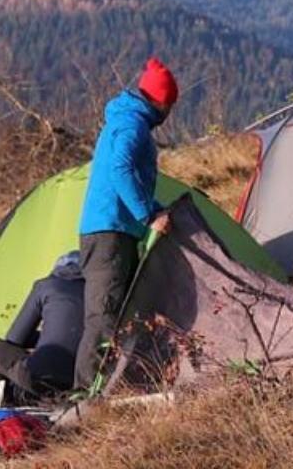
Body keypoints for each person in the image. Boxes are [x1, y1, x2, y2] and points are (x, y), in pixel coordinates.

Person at [74, 57, 177, 392]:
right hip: (109, 234)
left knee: (118, 314)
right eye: (170, 104)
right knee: (104, 317)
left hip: (114, 229)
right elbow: (120, 169)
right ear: (162, 101)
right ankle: (86, 394)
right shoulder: (132, 125)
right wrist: (148, 216)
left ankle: (112, 386)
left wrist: (156, 208)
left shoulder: (126, 119)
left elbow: (130, 177)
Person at [0, 251, 85, 409]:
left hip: (39, 377)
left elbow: (15, 339)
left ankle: (2, 407)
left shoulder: (46, 285)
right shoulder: (97, 292)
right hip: (80, 380)